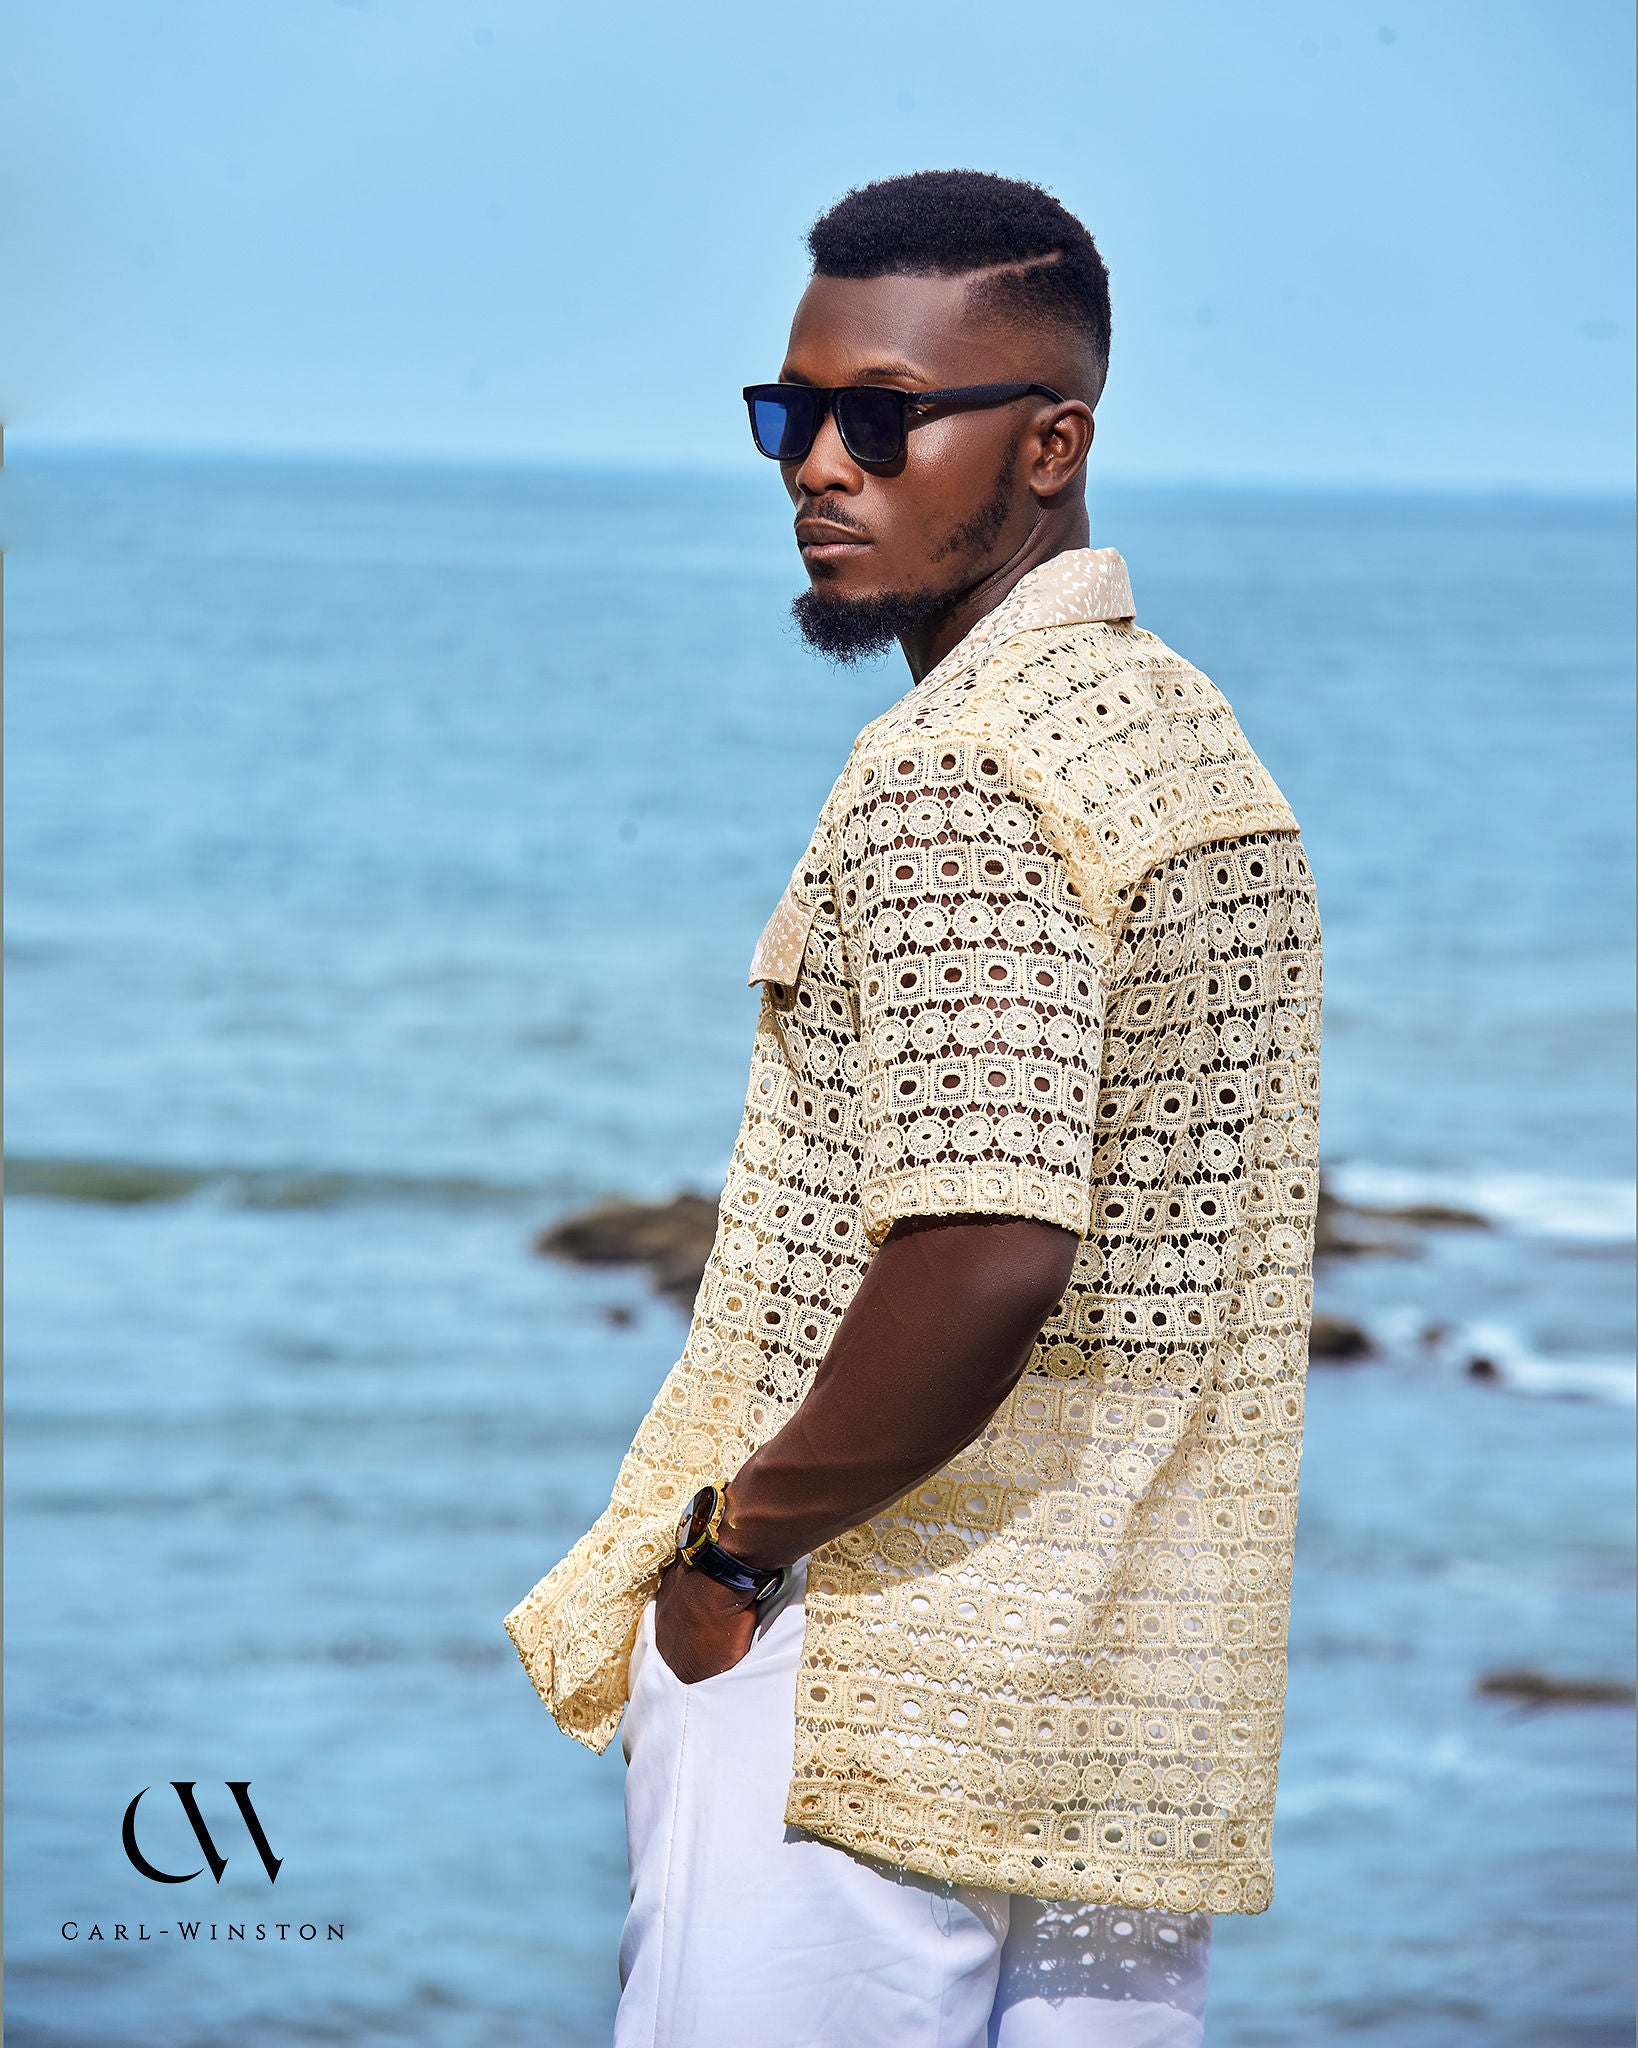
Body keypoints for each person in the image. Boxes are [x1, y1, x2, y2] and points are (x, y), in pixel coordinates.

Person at [505, 169, 1323, 2047]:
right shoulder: (1190, 744)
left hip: (855, 1676)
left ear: (1051, 443)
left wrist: (730, 1553)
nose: (819, 465)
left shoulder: (954, 769)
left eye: (884, 416)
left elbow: (987, 1247)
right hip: (1109, 1700)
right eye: (791, 414)